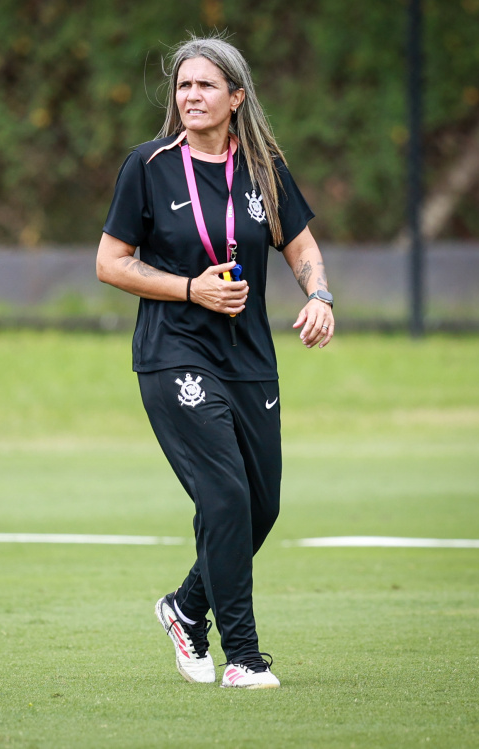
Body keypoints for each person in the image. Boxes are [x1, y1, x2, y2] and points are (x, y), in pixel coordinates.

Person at [96, 35, 335, 690]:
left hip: (249, 356)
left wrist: (318, 294)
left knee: (260, 508)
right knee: (225, 496)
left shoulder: (262, 167)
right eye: (182, 85)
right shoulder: (146, 166)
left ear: (236, 96)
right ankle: (245, 656)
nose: (190, 95)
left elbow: (300, 242)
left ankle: (183, 605)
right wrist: (188, 288)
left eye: (205, 85)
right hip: (173, 352)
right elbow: (109, 263)